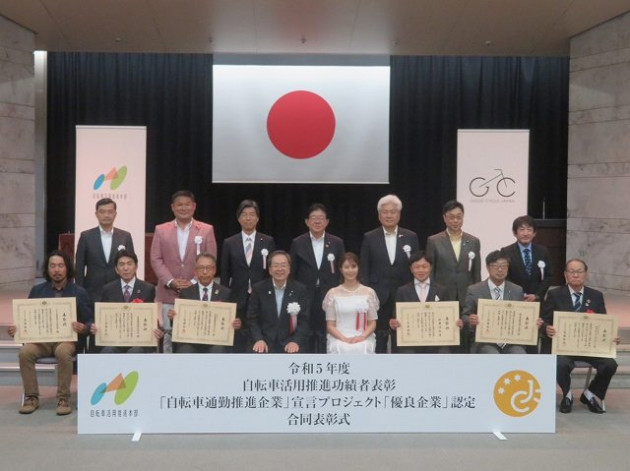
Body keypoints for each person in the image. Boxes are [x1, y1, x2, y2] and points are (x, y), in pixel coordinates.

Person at [8, 250, 93, 416]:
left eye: (61, 265)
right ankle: (31, 397)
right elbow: (27, 318)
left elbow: (90, 321)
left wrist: (83, 327)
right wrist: (18, 330)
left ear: (67, 268)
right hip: (42, 341)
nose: (57, 270)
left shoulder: (79, 292)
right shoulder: (37, 291)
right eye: (52, 266)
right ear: (47, 269)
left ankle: (63, 398)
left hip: (67, 341)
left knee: (62, 351)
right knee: (25, 352)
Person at [541, 259, 619, 414]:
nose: (575, 275)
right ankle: (567, 395)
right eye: (572, 271)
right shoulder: (555, 294)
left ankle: (590, 394)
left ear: (586, 274)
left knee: (610, 364)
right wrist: (547, 328)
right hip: (564, 347)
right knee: (560, 363)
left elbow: (603, 322)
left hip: (589, 347)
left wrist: (611, 336)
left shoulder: (596, 296)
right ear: (565, 274)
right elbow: (544, 320)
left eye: (579, 271)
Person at [150, 190, 217, 352]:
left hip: (197, 294)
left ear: (194, 206)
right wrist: (171, 281)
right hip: (168, 293)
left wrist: (193, 282)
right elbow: (155, 259)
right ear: (172, 207)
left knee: (193, 338)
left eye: (187, 204)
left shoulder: (206, 230)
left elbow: (211, 259)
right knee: (167, 336)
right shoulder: (161, 230)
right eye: (179, 205)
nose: (183, 208)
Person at [360, 194, 419, 353]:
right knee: (379, 337)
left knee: (403, 336)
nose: (389, 215)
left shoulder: (411, 237)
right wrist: (366, 294)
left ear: (399, 214)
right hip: (378, 294)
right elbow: (364, 268)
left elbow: (417, 266)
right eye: (385, 212)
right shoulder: (369, 237)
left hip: (404, 294)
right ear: (379, 215)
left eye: (393, 212)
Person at [220, 200, 275, 352]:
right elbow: (225, 273)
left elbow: (272, 271)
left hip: (261, 296)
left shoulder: (267, 241)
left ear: (257, 218)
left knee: (259, 335)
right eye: (244, 215)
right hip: (237, 296)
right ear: (238, 218)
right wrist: (225, 300)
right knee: (238, 337)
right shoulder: (230, 242)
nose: (248, 218)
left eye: (252, 214)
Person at [290, 203, 345, 353]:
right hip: (304, 295)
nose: (317, 221)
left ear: (327, 221)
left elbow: (342, 271)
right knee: (305, 332)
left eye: (321, 218)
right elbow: (292, 271)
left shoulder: (337, 243)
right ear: (307, 221)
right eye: (313, 218)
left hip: (329, 295)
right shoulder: (298, 242)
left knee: (325, 332)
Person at [461, 250, 537, 354]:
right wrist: (471, 320)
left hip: (511, 341)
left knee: (519, 353)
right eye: (496, 266)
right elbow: (465, 316)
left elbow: (521, 317)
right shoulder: (474, 290)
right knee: (492, 354)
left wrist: (533, 321)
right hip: (485, 342)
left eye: (504, 266)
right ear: (488, 267)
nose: (500, 269)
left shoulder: (516, 290)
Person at [89, 250, 162, 353]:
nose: (126, 268)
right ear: (116, 269)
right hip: (115, 341)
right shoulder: (108, 289)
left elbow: (152, 317)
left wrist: (157, 329)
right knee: (108, 351)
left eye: (129, 264)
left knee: (135, 351)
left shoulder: (147, 288)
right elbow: (102, 317)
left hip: (139, 341)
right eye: (121, 264)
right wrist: (96, 326)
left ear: (136, 267)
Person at [390, 251, 462, 353]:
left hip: (437, 342)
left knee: (444, 353)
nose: (421, 270)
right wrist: (394, 323)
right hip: (411, 343)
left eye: (424, 266)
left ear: (430, 267)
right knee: (406, 353)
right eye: (417, 267)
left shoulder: (442, 290)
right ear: (411, 269)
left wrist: (456, 323)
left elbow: (450, 316)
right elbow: (396, 316)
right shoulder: (402, 291)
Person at [170, 253, 241, 353]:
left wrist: (236, 323)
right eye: (201, 268)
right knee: (185, 350)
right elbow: (179, 322)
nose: (204, 272)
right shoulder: (186, 293)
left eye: (208, 268)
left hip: (216, 341)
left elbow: (232, 320)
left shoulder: (225, 293)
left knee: (218, 350)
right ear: (195, 271)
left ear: (214, 270)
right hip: (192, 341)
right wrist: (173, 317)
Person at [248, 251, 310, 354]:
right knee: (257, 351)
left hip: (290, 341)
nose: (280, 269)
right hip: (265, 340)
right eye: (276, 265)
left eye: (283, 265)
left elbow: (304, 320)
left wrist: (295, 341)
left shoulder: (300, 290)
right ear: (270, 270)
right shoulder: (259, 289)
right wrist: (259, 339)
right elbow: (252, 319)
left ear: (289, 269)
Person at [75, 198, 135, 302]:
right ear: (96, 214)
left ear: (115, 214)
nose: (106, 215)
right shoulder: (86, 237)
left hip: (118, 292)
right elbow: (79, 268)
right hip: (92, 293)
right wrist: (80, 293)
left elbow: (131, 264)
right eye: (102, 212)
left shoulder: (125, 236)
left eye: (110, 212)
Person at [425, 200, 481, 307]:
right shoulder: (434, 241)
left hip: (467, 297)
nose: (455, 221)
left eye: (459, 217)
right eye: (451, 217)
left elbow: (476, 274)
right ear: (444, 218)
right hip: (442, 296)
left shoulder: (473, 241)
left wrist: (476, 297)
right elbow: (430, 272)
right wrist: (432, 295)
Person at [323, 252, 378, 354]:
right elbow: (330, 325)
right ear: (341, 269)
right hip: (339, 337)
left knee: (363, 347)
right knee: (341, 347)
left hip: (363, 336)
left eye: (353, 266)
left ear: (358, 268)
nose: (350, 270)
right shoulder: (332, 293)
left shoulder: (369, 292)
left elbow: (372, 323)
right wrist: (344, 339)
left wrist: (362, 337)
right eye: (346, 267)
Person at [501, 215, 554, 302]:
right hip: (514, 300)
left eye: (529, 230)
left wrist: (537, 295)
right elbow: (505, 276)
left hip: (537, 300)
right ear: (515, 233)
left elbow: (549, 276)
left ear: (534, 233)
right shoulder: (506, 252)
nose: (525, 233)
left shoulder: (543, 251)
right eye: (522, 229)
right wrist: (517, 294)